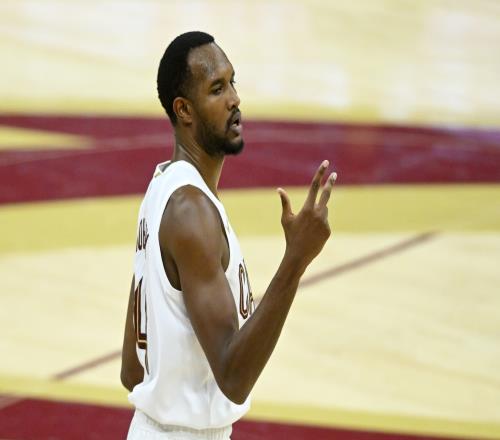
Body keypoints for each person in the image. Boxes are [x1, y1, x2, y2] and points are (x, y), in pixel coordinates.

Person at [120, 31, 336, 440]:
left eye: (232, 82)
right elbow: (233, 377)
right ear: (184, 110)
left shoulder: (161, 188)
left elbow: (133, 370)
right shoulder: (191, 212)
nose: (235, 99)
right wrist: (296, 259)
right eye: (217, 89)